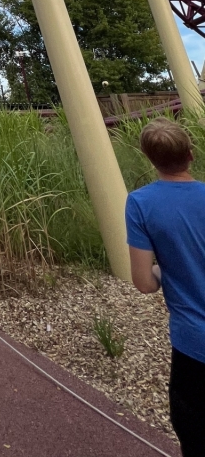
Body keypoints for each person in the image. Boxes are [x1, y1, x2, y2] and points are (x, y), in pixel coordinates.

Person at [125, 117, 205, 457]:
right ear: (190, 154)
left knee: (195, 433)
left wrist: (164, 269)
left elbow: (144, 282)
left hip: (193, 343)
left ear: (150, 159)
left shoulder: (141, 204)